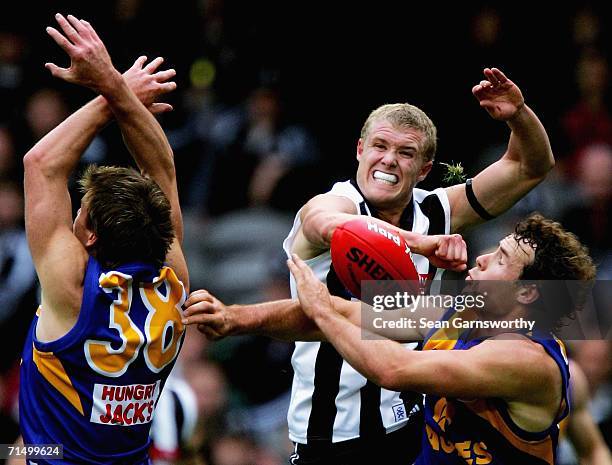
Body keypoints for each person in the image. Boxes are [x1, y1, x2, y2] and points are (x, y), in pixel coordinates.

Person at [187, 67, 555, 463]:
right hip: (334, 434)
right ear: (360, 149)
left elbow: (530, 167)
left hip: (416, 425)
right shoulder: (333, 203)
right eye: (380, 146)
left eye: (406, 153)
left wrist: (519, 114)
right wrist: (417, 242)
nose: (389, 160)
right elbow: (325, 225)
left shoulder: (438, 209)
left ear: (424, 170)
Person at [280, 213, 595, 464]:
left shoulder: (526, 361)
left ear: (527, 292)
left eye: (500, 259)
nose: (482, 258)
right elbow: (355, 315)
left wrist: (322, 312)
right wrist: (235, 319)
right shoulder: (463, 309)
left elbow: (393, 370)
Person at [16, 14, 188, 465]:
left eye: (81, 209)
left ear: (89, 234)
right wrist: (115, 88)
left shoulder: (72, 289)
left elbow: (41, 165)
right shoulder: (174, 282)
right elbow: (162, 168)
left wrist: (112, 87)